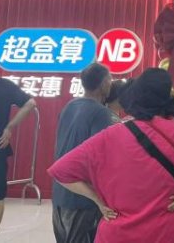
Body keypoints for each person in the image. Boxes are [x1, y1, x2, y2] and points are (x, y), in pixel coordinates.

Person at [48, 68, 174, 243]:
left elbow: (60, 172)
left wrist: (98, 200)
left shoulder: (109, 135)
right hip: (167, 232)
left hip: (118, 233)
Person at [52, 63, 114, 243]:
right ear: (103, 83)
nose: (111, 83)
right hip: (83, 197)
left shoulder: (69, 107)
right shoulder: (101, 113)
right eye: (110, 79)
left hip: (60, 192)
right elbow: (99, 157)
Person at [0, 78, 37, 232]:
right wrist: (9, 127)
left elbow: (31, 103)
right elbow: (30, 103)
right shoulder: (4, 85)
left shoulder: (4, 85)